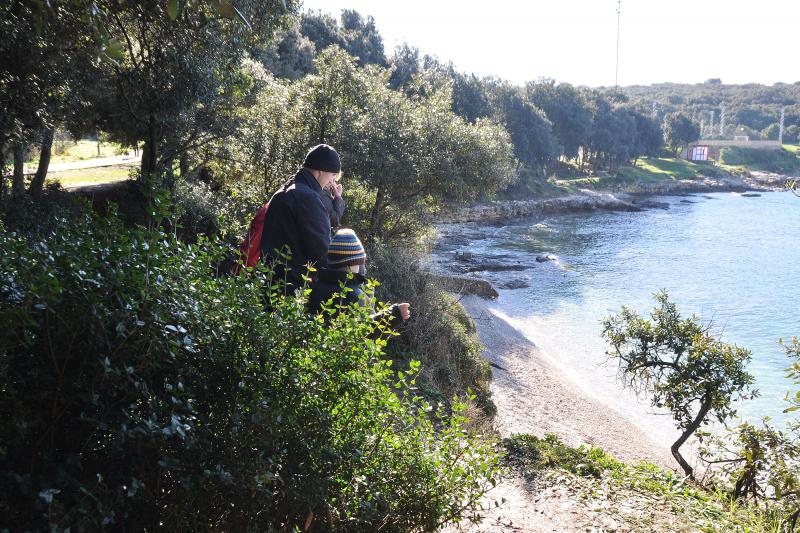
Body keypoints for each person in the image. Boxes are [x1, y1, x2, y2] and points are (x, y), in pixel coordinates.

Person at [260, 144, 341, 291]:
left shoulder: (282, 192)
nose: (332, 181)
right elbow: (322, 252)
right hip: (293, 291)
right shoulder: (308, 198)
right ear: (321, 170)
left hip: (271, 283)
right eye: (332, 175)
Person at [307, 229, 411, 329]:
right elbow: (363, 336)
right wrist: (393, 315)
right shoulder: (354, 295)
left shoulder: (317, 286)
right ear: (353, 263)